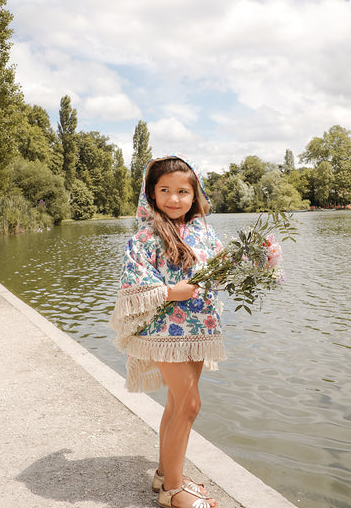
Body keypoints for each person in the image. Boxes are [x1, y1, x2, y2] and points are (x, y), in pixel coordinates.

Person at [110, 153, 226, 508]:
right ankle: (173, 492)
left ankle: (165, 472)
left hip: (198, 328)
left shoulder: (203, 232)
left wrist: (244, 263)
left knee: (177, 403)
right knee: (190, 404)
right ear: (152, 194)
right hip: (165, 333)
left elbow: (219, 267)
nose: (175, 199)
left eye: (183, 191)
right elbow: (132, 286)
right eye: (165, 190)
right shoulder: (145, 238)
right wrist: (169, 292)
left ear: (195, 195)